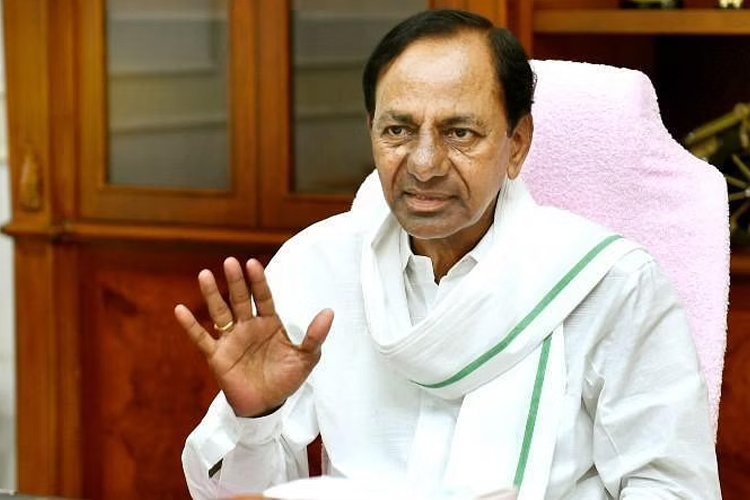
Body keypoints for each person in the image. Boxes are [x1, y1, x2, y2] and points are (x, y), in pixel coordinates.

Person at [176, 9, 721, 500]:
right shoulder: (316, 265)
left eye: (459, 133)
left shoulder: (609, 282)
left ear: (517, 144)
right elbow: (243, 494)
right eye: (398, 130)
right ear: (371, 131)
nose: (424, 164)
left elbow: (675, 489)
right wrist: (257, 418)